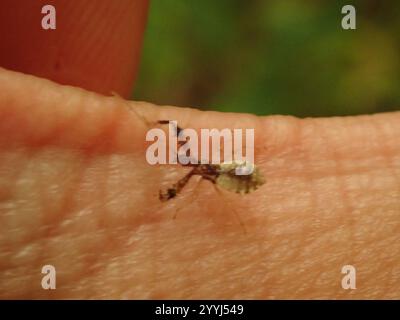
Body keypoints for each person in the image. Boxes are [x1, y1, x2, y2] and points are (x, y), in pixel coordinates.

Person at [0, 1, 399, 299]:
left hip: (228, 174)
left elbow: (192, 169)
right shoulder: (199, 169)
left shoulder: (204, 169)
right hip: (225, 174)